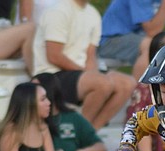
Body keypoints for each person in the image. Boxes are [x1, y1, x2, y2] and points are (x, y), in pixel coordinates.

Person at [32, 0, 136, 131]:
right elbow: (54, 55)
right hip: (51, 74)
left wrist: (92, 73)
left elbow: (90, 55)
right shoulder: (58, 11)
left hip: (78, 73)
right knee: (102, 83)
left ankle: (91, 132)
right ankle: (79, 132)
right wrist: (89, 74)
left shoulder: (93, 14)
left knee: (127, 83)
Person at [99, 0, 165, 80]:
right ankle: (139, 95)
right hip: (109, 40)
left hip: (138, 39)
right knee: (151, 46)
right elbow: (153, 31)